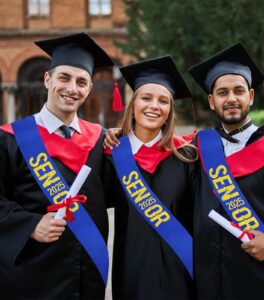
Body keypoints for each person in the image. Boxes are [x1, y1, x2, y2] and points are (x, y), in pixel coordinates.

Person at [0, 32, 116, 299]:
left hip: (86, 275)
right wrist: (29, 225)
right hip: (31, 276)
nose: (72, 88)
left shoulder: (99, 139)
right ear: (47, 79)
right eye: (64, 78)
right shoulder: (10, 139)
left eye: (81, 82)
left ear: (88, 89)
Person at [189, 42, 264, 299]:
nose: (231, 99)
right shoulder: (196, 151)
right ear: (211, 101)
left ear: (250, 96)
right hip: (210, 284)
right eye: (222, 92)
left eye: (238, 91)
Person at [103, 55, 198, 300]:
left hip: (180, 273)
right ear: (132, 104)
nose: (154, 106)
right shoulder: (111, 156)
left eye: (163, 101)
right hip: (131, 270)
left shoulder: (187, 157)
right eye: (146, 98)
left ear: (169, 111)